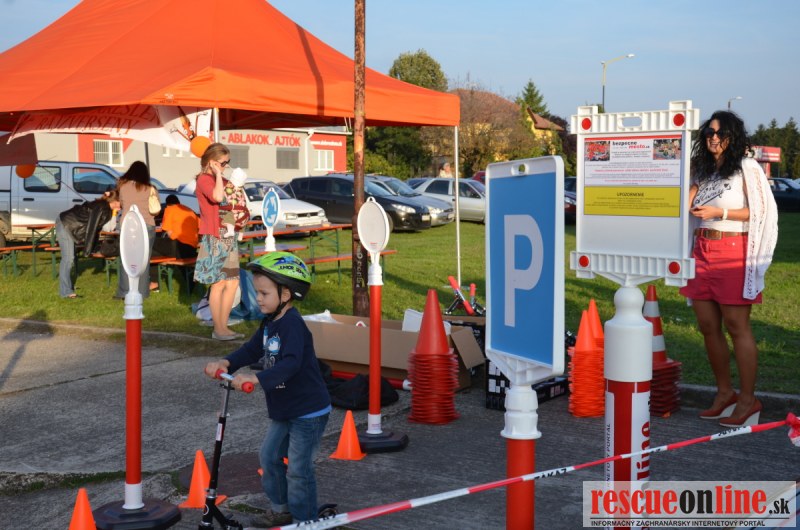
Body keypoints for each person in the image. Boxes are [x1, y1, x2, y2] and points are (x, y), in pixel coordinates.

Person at [203, 252, 331, 527]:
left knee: (298, 469)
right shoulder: (269, 322)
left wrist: (258, 378)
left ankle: (305, 521)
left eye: (264, 293)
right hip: (284, 408)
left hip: (308, 411)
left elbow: (291, 364)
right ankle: (281, 509)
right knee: (270, 457)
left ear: (286, 294)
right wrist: (227, 362)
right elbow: (252, 349)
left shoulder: (292, 325)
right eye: (257, 292)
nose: (258, 299)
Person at [679, 110, 778, 428]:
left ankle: (748, 400)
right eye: (709, 132)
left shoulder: (747, 167)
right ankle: (724, 393)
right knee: (708, 326)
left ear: (732, 136)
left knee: (737, 326)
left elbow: (762, 211)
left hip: (734, 250)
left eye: (720, 133)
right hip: (701, 250)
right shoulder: (702, 169)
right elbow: (686, 206)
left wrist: (720, 212)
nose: (714, 138)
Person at [193, 143, 243, 341]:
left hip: (228, 235)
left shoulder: (220, 179)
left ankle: (223, 326)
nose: (226, 166)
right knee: (219, 283)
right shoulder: (204, 180)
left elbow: (233, 200)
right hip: (215, 235)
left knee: (232, 281)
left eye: (228, 162)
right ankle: (218, 328)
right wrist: (218, 175)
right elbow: (217, 196)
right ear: (212, 162)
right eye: (223, 163)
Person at [54, 190, 120, 298]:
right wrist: (88, 248)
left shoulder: (107, 209)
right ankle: (65, 292)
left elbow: (109, 228)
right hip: (66, 223)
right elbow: (92, 228)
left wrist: (114, 213)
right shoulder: (101, 207)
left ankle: (67, 288)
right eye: (121, 202)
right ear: (115, 201)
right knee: (68, 258)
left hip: (70, 225)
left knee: (69, 258)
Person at [114, 161, 159, 299]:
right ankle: (142, 292)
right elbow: (156, 209)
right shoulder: (150, 188)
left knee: (126, 259)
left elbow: (122, 204)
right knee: (144, 260)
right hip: (147, 225)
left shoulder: (123, 187)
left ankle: (124, 291)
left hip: (127, 226)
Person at [152, 194, 199, 259]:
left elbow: (169, 232)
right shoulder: (190, 211)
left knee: (152, 242)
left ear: (167, 204)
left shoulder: (169, 209)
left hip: (179, 249)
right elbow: (200, 227)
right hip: (192, 250)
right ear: (178, 202)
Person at [219, 167, 250, 239]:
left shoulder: (228, 187)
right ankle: (240, 235)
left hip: (234, 212)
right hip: (244, 213)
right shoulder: (241, 189)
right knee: (242, 220)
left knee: (229, 217)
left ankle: (230, 231)